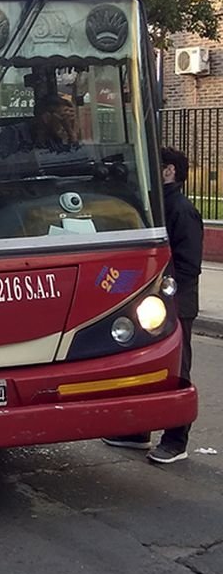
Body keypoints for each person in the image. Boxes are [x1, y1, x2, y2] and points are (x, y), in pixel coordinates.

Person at [103, 146, 203, 464]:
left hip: (174, 303)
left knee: (176, 368)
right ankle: (138, 431)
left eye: (153, 166)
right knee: (143, 366)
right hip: (150, 300)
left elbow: (188, 265)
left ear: (169, 171)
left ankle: (176, 439)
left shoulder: (180, 210)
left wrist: (165, 293)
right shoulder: (155, 207)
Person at [0, 93, 78, 156]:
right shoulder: (14, 134)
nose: (64, 125)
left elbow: (73, 159)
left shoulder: (53, 140)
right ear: (46, 117)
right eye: (63, 119)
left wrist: (71, 132)